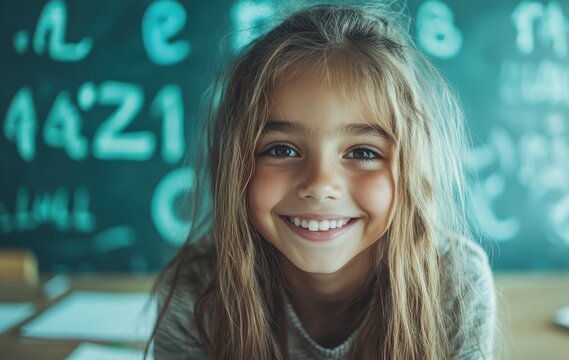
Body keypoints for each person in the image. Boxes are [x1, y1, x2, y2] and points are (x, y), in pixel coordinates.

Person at [149, 3, 496, 359]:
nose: (319, 184)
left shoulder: (454, 284)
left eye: (362, 153)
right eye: (282, 150)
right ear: (236, 163)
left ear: (410, 168)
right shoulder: (199, 290)